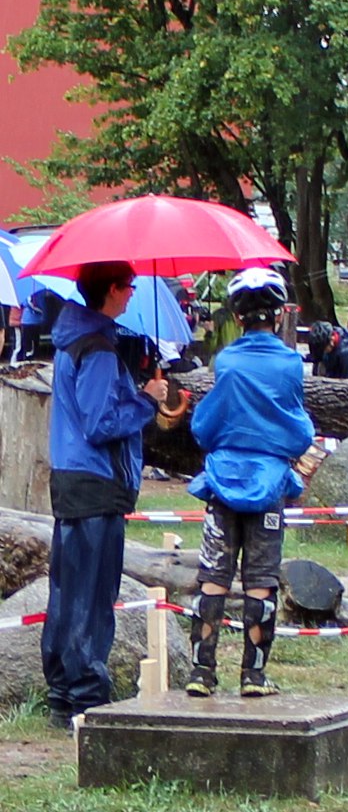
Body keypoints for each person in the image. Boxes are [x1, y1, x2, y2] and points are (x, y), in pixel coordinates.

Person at [43, 261, 168, 732]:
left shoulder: (72, 340)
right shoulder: (96, 349)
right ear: (112, 290)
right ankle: (85, 694)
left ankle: (62, 690)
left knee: (67, 590)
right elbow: (101, 424)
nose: (134, 294)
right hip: (96, 484)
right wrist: (147, 401)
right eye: (130, 287)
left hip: (73, 480)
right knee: (91, 597)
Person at [184, 268, 315, 698]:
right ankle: (253, 676)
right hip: (269, 487)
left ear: (237, 318)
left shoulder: (226, 362)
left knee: (213, 578)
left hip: (222, 486)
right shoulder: (290, 363)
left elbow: (204, 427)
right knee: (261, 580)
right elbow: (299, 432)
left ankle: (201, 673)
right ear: (278, 316)